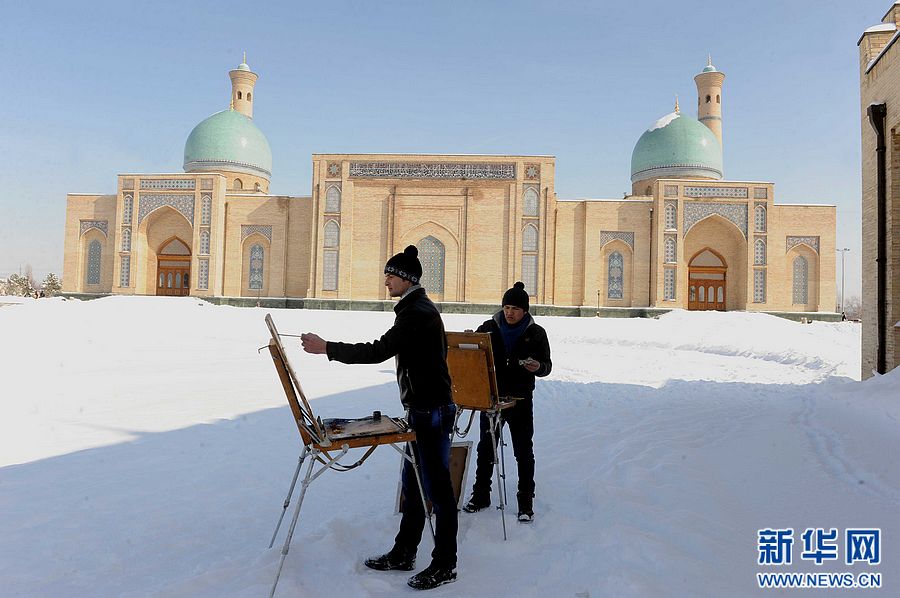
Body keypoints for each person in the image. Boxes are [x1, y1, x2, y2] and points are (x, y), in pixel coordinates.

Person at [300, 245, 458, 591]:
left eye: (390, 275)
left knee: (437, 491)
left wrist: (327, 347)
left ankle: (446, 564)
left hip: (431, 412)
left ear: (406, 279)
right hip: (422, 410)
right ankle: (404, 552)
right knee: (415, 488)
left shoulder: (417, 312)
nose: (386, 280)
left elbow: (378, 351)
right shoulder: (413, 309)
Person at [463, 281, 552, 522]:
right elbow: (472, 354)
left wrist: (538, 367)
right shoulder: (489, 327)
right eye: (506, 307)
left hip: (521, 401)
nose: (509, 313)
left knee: (523, 450)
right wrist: (469, 342)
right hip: (492, 398)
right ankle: (481, 495)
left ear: (525, 311)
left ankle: (525, 501)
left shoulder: (536, 333)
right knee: (486, 448)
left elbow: (547, 366)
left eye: (514, 308)